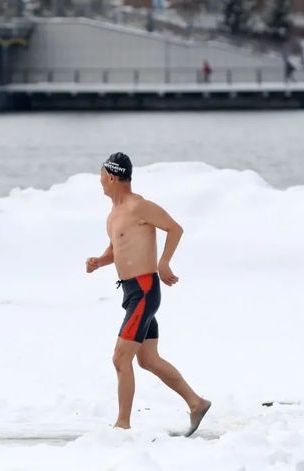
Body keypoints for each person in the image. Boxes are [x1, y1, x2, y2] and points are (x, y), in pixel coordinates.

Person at [85, 152, 211, 436]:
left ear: (112, 177)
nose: (100, 181)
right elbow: (116, 249)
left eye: (102, 176)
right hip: (132, 293)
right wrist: (99, 261)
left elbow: (174, 228)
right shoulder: (113, 215)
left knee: (120, 358)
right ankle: (197, 403)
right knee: (147, 359)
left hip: (144, 291)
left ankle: (122, 425)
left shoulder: (138, 206)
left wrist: (163, 262)